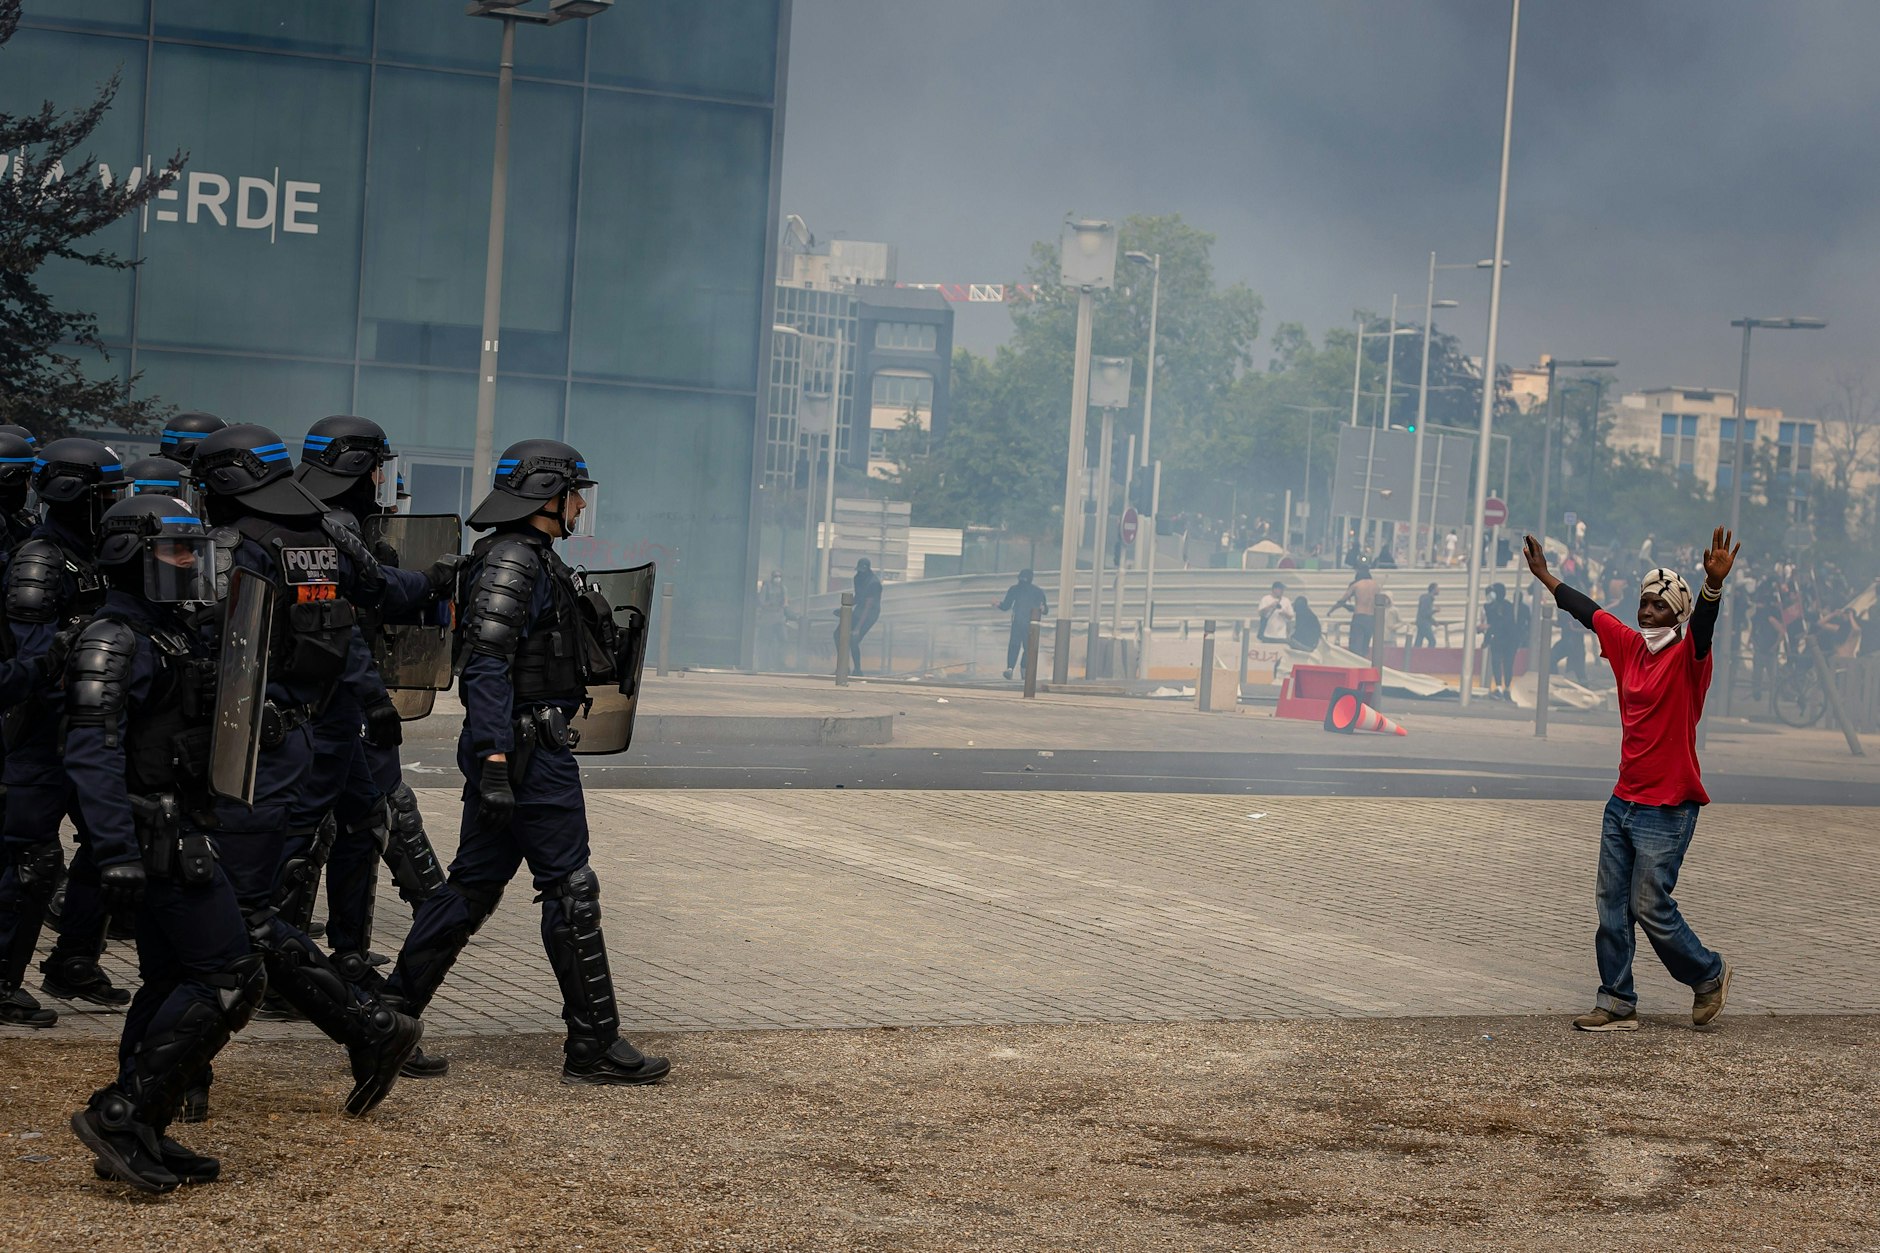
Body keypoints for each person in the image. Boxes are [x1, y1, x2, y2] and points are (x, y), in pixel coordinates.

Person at [385, 439, 669, 1086]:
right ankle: (594, 1043)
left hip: (516, 746)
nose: (579, 504)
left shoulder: (530, 558)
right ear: (548, 497)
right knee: (569, 886)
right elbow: (486, 665)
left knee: (472, 886)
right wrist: (492, 755)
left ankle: (388, 1017)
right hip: (525, 750)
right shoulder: (515, 562)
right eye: (574, 493)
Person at [187, 423, 424, 1116]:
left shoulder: (235, 549)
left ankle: (366, 1024)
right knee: (222, 904)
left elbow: (201, 651)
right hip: (283, 745)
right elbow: (371, 597)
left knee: (230, 911)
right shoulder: (315, 538)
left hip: (237, 752)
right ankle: (179, 1075)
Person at [62, 495, 263, 1193]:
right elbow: (91, 750)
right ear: (131, 555)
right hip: (153, 836)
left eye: (191, 549)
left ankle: (140, 1125)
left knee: (173, 980)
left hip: (178, 826)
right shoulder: (113, 637)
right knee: (230, 976)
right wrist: (114, 847)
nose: (189, 563)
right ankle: (120, 1116)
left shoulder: (164, 632)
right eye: (176, 551)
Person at [1524, 529, 1735, 1033]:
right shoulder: (1626, 647)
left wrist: (1712, 588)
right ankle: (1617, 999)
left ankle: (1708, 974)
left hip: (1669, 805)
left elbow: (1703, 628)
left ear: (1676, 616)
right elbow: (1588, 610)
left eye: (1657, 608)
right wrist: (1545, 576)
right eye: (1642, 604)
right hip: (1624, 800)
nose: (1645, 614)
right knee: (1611, 904)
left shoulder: (1689, 660)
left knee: (1648, 903)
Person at [0, 439, 131, 1023]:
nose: (115, 503)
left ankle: (73, 959)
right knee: (30, 860)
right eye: (108, 493)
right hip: (42, 733)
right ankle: (3, 979)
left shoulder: (98, 551)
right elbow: (31, 657)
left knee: (111, 844)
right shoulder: (41, 557)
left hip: (92, 724)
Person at [992, 568, 1047, 680]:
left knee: (1015, 646)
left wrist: (998, 604)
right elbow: (1045, 609)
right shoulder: (1037, 591)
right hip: (1029, 623)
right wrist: (1043, 609)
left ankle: (1012, 668)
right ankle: (1020, 669)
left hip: (1022, 622)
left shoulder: (1015, 589)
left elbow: (1006, 606)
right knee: (1027, 647)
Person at [838, 556, 881, 674]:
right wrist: (845, 608)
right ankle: (843, 668)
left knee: (853, 640)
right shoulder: (857, 578)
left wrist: (857, 628)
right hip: (859, 609)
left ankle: (858, 670)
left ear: (867, 570)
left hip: (870, 614)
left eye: (862, 571)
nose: (860, 574)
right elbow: (858, 598)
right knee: (838, 634)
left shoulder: (874, 583)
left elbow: (868, 606)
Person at [1332, 562, 1379, 656]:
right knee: (1365, 646)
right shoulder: (1376, 586)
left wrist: (1331, 610)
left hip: (1359, 616)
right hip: (1371, 617)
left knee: (1355, 646)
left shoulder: (1357, 585)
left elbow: (1342, 600)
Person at [1483, 583, 1519, 699]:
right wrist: (1486, 640)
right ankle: (1499, 687)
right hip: (1499, 639)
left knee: (1507, 664)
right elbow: (1491, 624)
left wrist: (1488, 630)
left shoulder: (1507, 606)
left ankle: (1506, 688)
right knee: (1496, 663)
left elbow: (1503, 623)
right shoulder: (1489, 607)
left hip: (1509, 639)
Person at [755, 571, 789, 671]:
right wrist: (769, 605)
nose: (777, 579)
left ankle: (780, 663)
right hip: (767, 619)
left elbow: (785, 603)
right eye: (775, 577)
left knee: (783, 641)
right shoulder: (766, 588)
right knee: (766, 642)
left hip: (779, 618)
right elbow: (761, 602)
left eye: (779, 577)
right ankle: (764, 664)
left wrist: (781, 606)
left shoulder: (783, 588)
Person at [1413, 582, 1439, 651]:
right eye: (1437, 589)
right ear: (1433, 589)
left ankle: (1415, 655)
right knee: (1432, 641)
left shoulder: (1426, 598)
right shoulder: (1428, 598)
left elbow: (1425, 614)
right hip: (1424, 624)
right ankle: (1429, 656)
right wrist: (1434, 611)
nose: (1439, 590)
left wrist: (1434, 622)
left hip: (1421, 622)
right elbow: (1424, 613)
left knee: (1418, 642)